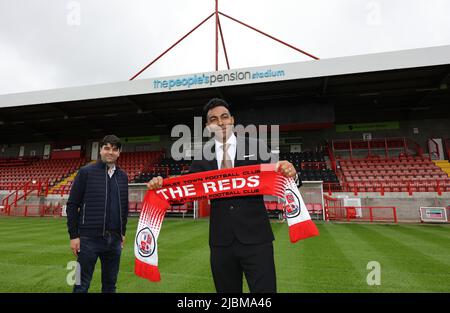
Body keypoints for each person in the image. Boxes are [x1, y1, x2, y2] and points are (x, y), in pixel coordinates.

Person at [147, 98, 299, 293]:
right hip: (221, 242)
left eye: (224, 117)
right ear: (208, 126)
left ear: (232, 120)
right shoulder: (202, 155)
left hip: (257, 239)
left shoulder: (255, 146)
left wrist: (292, 173)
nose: (220, 122)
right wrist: (160, 186)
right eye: (214, 119)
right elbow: (183, 192)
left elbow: (286, 178)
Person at [66, 135, 129, 293]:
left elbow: (124, 206)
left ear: (119, 152)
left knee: (110, 286)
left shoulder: (123, 176)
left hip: (114, 240)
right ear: (100, 150)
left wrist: (122, 232)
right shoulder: (86, 172)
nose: (110, 152)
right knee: (81, 285)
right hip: (88, 240)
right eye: (107, 148)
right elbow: (72, 205)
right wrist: (74, 236)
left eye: (114, 149)